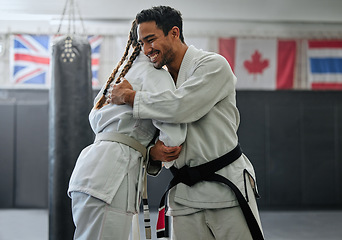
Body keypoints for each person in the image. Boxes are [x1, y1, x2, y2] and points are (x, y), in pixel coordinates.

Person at [108, 6, 264, 240]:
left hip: (225, 188)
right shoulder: (155, 79)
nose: (147, 49)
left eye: (151, 40)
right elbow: (144, 131)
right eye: (142, 44)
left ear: (174, 32)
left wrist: (131, 97)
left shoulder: (212, 65)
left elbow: (181, 107)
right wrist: (152, 153)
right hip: (183, 197)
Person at [67, 20, 186, 240]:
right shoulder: (155, 75)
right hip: (112, 178)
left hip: (89, 172)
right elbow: (174, 134)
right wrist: (156, 151)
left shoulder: (119, 73)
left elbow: (95, 119)